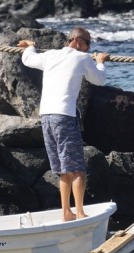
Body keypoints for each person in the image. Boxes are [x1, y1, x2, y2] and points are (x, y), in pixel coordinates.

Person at [18, 27, 110, 221]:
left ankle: (66, 212)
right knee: (77, 168)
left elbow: (28, 59)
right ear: (76, 40)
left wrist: (30, 47)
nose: (88, 48)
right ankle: (80, 212)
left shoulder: (50, 55)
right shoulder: (82, 58)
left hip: (46, 117)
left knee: (62, 168)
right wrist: (100, 63)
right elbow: (99, 80)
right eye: (87, 43)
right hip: (64, 117)